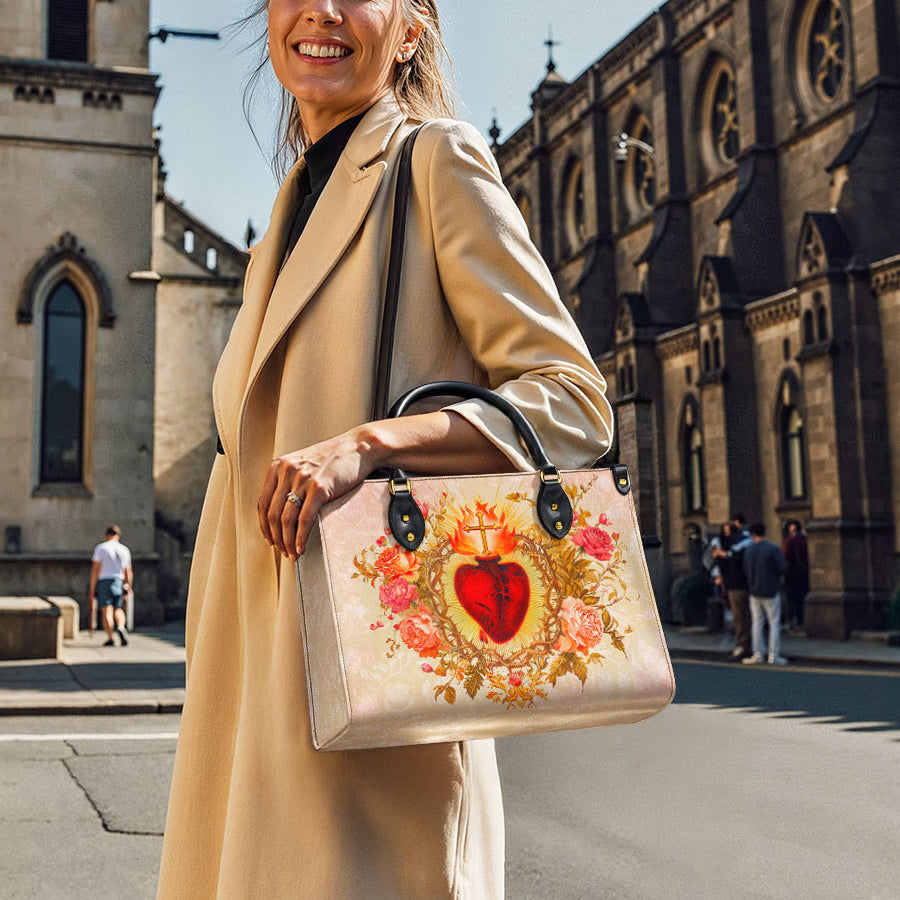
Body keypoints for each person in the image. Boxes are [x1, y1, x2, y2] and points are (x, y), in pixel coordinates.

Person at [156, 3, 613, 898]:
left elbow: (571, 401)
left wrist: (372, 443)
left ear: (408, 29)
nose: (321, 11)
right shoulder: (281, 223)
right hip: (249, 708)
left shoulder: (435, 159)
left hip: (373, 717)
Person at [742, 522, 788, 666]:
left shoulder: (748, 550)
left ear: (752, 534)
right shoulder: (772, 548)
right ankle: (773, 655)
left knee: (757, 622)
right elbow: (783, 567)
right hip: (771, 590)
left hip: (754, 590)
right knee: (774, 623)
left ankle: (758, 654)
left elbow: (745, 569)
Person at [713, 513, 753, 659]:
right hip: (734, 583)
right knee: (741, 616)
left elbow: (733, 556)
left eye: (729, 528)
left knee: (740, 617)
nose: (727, 532)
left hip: (738, 584)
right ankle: (744, 644)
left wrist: (722, 554)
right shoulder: (732, 543)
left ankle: (744, 645)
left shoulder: (741, 543)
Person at [89, 525, 132, 647]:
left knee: (107, 609)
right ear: (118, 535)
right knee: (118, 608)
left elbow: (95, 569)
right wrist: (128, 585)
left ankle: (110, 637)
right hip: (119, 581)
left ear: (107, 535)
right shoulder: (124, 550)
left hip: (104, 580)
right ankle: (121, 627)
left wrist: (92, 587)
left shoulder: (101, 548)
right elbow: (128, 571)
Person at [782, 519, 809, 630]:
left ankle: (793, 622)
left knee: (792, 599)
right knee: (800, 598)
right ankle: (800, 621)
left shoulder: (790, 541)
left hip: (791, 573)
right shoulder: (804, 539)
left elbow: (784, 556)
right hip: (802, 572)